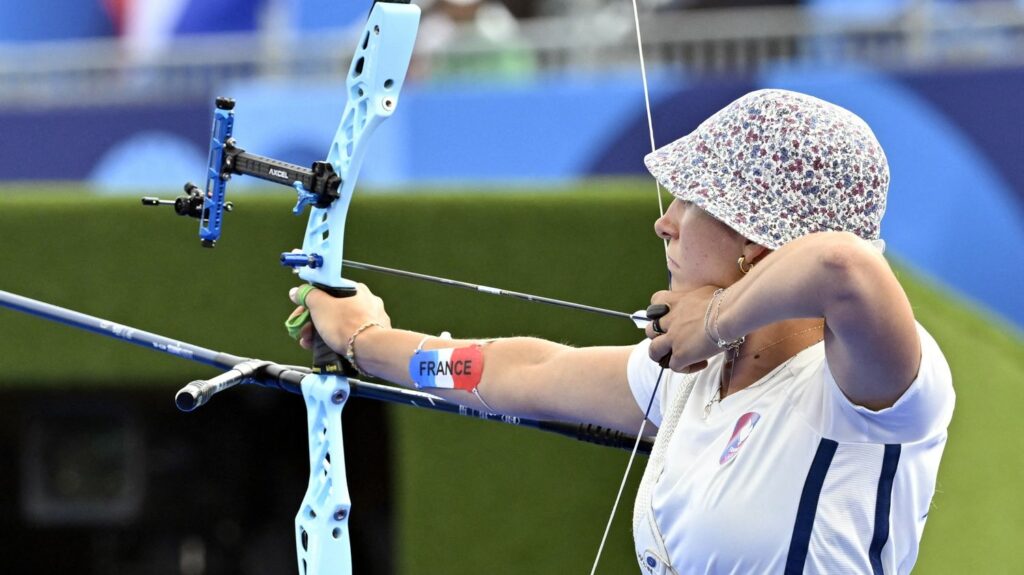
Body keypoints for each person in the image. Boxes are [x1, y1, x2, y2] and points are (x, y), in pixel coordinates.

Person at [288, 89, 954, 574]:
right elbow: (516, 372)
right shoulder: (695, 379)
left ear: (753, 238)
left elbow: (844, 264)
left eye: (690, 202)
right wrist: (367, 340)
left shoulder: (869, 388)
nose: (665, 222)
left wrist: (714, 318)